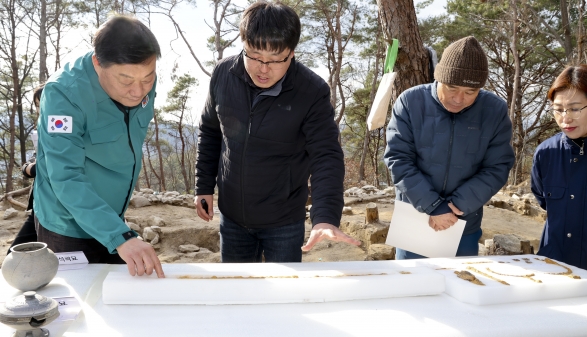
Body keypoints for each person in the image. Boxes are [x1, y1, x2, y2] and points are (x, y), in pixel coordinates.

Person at [194, 1, 361, 263]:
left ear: (291, 53)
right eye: (255, 56)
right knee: (237, 293)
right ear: (243, 43)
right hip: (233, 218)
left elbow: (325, 155)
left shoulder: (311, 91)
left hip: (283, 221)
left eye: (275, 60)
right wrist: (203, 185)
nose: (263, 69)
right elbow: (210, 131)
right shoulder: (223, 74)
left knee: (285, 296)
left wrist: (325, 216)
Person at [34, 16, 164, 278]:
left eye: (148, 78)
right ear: (97, 63)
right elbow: (66, 176)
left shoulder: (140, 79)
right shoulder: (64, 94)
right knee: (77, 306)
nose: (138, 92)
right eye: (126, 81)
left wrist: (117, 229)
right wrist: (120, 236)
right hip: (66, 226)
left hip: (112, 218)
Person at [383, 36, 515, 259]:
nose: (459, 98)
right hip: (415, 216)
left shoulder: (494, 110)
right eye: (452, 88)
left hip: (463, 220)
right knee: (410, 286)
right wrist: (433, 206)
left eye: (470, 92)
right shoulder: (411, 102)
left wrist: (455, 206)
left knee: (462, 285)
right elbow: (398, 158)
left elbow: (497, 166)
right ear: (438, 78)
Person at [531, 64, 587, 274]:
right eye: (558, 109)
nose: (565, 118)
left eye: (575, 108)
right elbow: (543, 201)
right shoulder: (546, 153)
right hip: (554, 271)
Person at [7, 85, 45, 255]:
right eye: (37, 105)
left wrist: (35, 168)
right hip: (41, 205)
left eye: (43, 103)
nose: (40, 109)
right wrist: (29, 168)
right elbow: (31, 163)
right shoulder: (41, 131)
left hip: (61, 208)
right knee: (15, 256)